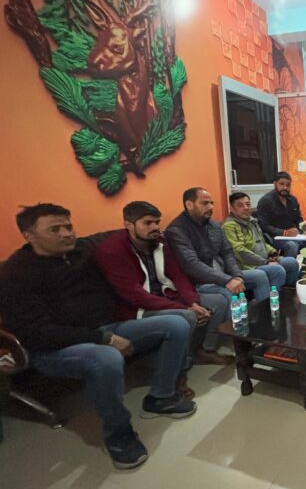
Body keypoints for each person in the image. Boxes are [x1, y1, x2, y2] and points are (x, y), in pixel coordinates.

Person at [0, 204, 196, 470]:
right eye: (55, 229)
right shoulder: (16, 274)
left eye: (68, 226)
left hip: (107, 326)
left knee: (178, 324)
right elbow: (36, 332)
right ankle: (119, 435)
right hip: (55, 348)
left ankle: (161, 397)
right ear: (29, 235)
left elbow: (122, 262)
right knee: (105, 358)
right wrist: (103, 338)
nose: (67, 233)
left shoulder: (82, 253)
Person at [95, 201, 232, 367]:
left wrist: (193, 302)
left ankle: (204, 350)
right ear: (128, 225)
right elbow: (135, 295)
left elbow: (178, 275)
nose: (155, 227)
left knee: (219, 301)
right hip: (137, 309)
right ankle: (181, 366)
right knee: (188, 315)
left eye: (157, 222)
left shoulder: (160, 241)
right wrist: (185, 308)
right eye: (148, 223)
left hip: (166, 296)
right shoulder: (112, 250)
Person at [166, 187, 285, 316]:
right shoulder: (177, 230)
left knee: (259, 276)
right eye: (205, 203)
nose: (211, 207)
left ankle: (267, 317)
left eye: (211, 203)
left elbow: (227, 252)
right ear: (189, 204)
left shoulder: (213, 226)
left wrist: (237, 275)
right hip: (201, 282)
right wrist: (227, 280)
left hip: (225, 275)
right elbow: (192, 264)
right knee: (228, 292)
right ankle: (236, 327)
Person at [222, 192, 299, 287]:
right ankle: (273, 295)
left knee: (292, 262)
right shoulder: (229, 226)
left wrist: (273, 253)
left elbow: (261, 241)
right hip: (248, 266)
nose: (246, 208)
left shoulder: (252, 221)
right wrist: (266, 262)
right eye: (240, 205)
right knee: (277, 270)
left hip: (264, 259)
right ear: (232, 209)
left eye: (248, 204)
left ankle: (287, 290)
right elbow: (239, 251)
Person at [256, 171, 306, 258]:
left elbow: (298, 219)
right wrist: (284, 232)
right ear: (275, 184)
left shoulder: (293, 200)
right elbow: (263, 225)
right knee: (292, 245)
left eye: (288, 185)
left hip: (293, 236)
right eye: (281, 184)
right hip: (274, 237)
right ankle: (289, 266)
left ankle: (305, 264)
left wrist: (303, 232)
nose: (285, 187)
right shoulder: (265, 201)